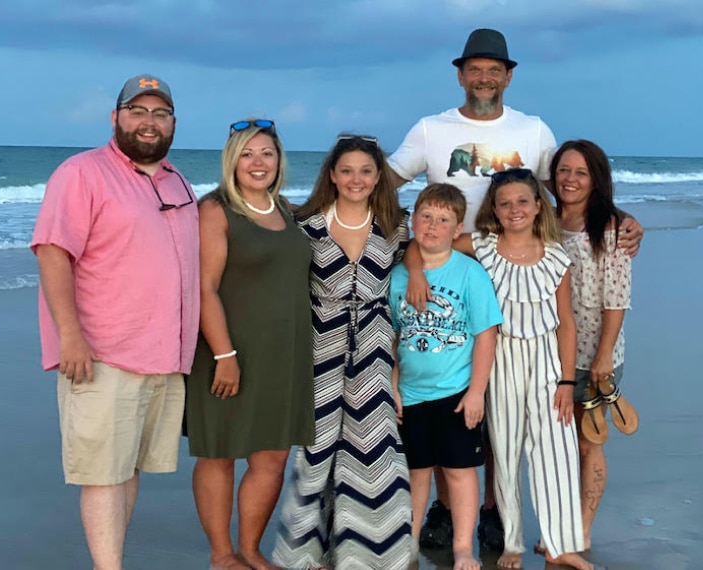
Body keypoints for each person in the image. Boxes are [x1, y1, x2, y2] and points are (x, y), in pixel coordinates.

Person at [389, 27, 644, 549]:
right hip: (459, 277)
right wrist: (407, 252)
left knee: (530, 421)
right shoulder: (431, 129)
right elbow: (381, 183)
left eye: (494, 69)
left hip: (526, 280)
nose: (484, 77)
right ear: (460, 75)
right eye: (474, 69)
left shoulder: (533, 130)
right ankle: (448, 504)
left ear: (508, 76)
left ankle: (504, 514)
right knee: (460, 400)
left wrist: (619, 218)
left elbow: (570, 186)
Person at [31, 74, 200, 570]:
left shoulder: (177, 180)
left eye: (160, 113)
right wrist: (71, 337)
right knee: (103, 474)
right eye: (138, 111)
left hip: (163, 358)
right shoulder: (81, 173)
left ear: (172, 123)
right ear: (116, 117)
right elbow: (53, 253)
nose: (149, 122)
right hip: (102, 355)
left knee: (127, 471)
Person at [273, 135, 414, 569]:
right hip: (319, 344)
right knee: (316, 449)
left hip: (374, 346)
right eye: (347, 170)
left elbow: (433, 252)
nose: (357, 179)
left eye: (366, 171)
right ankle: (303, 554)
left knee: (373, 447)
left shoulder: (395, 226)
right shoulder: (304, 225)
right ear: (332, 175)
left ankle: (369, 553)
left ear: (379, 178)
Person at [184, 119, 315, 570]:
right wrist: (225, 356)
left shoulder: (290, 212)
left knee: (272, 456)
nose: (258, 163)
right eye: (247, 154)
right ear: (232, 161)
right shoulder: (216, 210)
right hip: (226, 352)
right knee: (219, 452)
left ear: (279, 161)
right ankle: (222, 554)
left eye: (266, 154)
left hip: (285, 355)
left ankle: (251, 550)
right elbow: (204, 288)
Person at [450, 168, 590, 570]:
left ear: (537, 206)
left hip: (548, 363)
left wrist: (567, 379)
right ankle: (512, 541)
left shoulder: (557, 256)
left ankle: (560, 543)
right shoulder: (482, 246)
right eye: (505, 202)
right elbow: (429, 245)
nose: (514, 209)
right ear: (493, 209)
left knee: (556, 451)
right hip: (499, 359)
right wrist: (413, 271)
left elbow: (566, 323)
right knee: (506, 450)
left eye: (522, 201)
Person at [389, 183, 501, 570]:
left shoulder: (470, 273)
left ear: (457, 229)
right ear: (413, 221)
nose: (432, 226)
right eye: (425, 217)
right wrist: (393, 387)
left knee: (459, 472)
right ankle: (410, 542)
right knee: (416, 472)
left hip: (455, 392)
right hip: (410, 394)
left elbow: (486, 334)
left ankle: (463, 549)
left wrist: (477, 393)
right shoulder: (398, 277)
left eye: (443, 220)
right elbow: (392, 336)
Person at [550, 140, 632, 551]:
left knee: (589, 443)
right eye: (564, 170)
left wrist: (603, 355)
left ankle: (581, 530)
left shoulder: (611, 227)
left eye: (581, 172)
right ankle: (559, 526)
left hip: (594, 357)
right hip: (550, 354)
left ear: (596, 179)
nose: (570, 179)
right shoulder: (543, 222)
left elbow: (617, 298)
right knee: (556, 444)